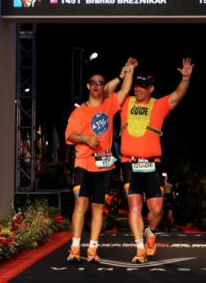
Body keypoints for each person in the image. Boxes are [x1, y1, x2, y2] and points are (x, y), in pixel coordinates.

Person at [117, 58, 193, 263]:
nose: (138, 90)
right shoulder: (125, 102)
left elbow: (178, 95)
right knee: (134, 205)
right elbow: (111, 91)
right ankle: (139, 248)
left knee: (157, 209)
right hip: (129, 162)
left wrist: (185, 77)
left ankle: (150, 232)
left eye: (143, 86)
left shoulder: (158, 105)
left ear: (151, 88)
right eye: (136, 86)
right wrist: (126, 72)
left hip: (152, 163)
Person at [64, 61, 134, 264]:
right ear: (88, 86)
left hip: (103, 167)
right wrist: (85, 138)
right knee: (80, 204)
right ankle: (75, 248)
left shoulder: (110, 103)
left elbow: (125, 89)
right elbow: (69, 134)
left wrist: (129, 70)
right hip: (83, 164)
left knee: (97, 208)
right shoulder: (79, 112)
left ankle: (93, 249)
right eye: (93, 82)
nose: (96, 85)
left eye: (100, 83)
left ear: (104, 87)